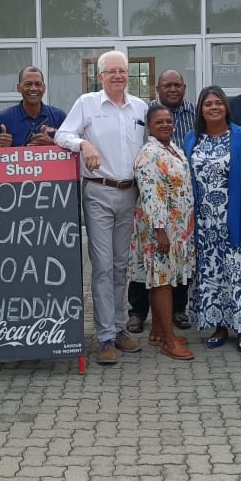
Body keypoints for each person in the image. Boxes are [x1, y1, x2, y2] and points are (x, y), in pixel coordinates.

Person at [56, 50, 148, 366]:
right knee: (103, 266)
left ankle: (120, 329)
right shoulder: (87, 103)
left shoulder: (140, 107)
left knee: (121, 265)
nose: (119, 76)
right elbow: (62, 134)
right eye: (112, 71)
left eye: (123, 71)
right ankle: (105, 336)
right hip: (98, 191)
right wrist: (84, 144)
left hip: (129, 194)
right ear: (101, 76)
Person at [184, 86, 241, 354]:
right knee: (211, 274)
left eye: (219, 103)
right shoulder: (191, 139)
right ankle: (219, 326)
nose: (214, 107)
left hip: (235, 218)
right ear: (201, 110)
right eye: (208, 104)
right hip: (204, 224)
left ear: (226, 107)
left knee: (239, 272)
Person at [127, 69, 197, 333]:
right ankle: (162, 332)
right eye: (160, 122)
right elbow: (150, 193)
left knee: (169, 276)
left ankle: (161, 329)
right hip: (160, 227)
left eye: (169, 122)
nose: (166, 125)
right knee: (158, 277)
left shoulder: (175, 147)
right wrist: (160, 231)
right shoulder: (149, 152)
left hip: (177, 226)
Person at [0, 66, 68, 148]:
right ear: (18, 88)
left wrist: (52, 144)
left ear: (44, 88)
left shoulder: (59, 117)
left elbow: (72, 152)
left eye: (38, 84)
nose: (33, 88)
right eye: (28, 84)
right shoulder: (2, 119)